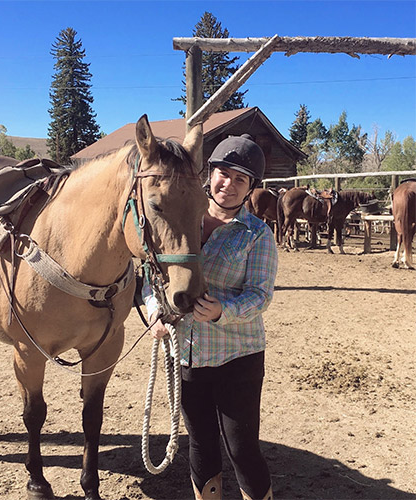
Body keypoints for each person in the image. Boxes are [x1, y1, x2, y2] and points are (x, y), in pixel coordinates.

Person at [143, 134, 278, 500]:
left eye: (241, 179)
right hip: (185, 354)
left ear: (250, 187)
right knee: (200, 443)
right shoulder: (180, 215)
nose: (229, 185)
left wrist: (222, 311)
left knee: (242, 448)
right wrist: (154, 311)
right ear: (210, 173)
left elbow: (260, 296)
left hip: (237, 355)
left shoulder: (258, 235)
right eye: (223, 173)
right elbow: (150, 272)